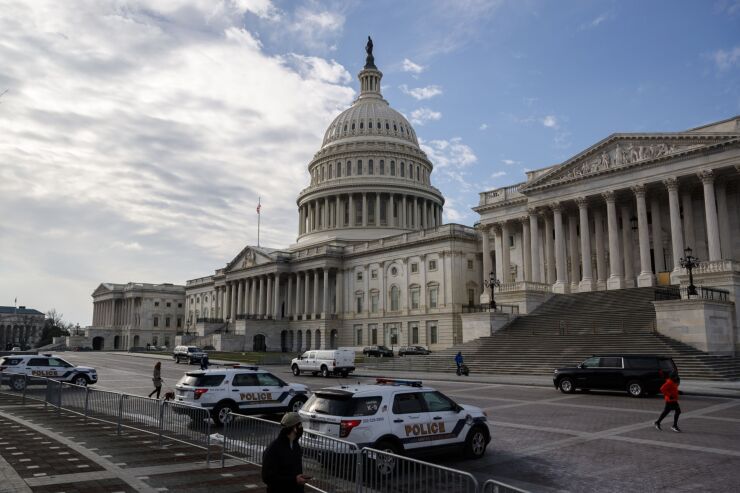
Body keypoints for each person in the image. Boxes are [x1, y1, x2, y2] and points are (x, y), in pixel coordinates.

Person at [262, 412, 311, 493]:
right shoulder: (273, 449)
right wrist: (294, 480)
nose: (302, 428)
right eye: (300, 425)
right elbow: (267, 477)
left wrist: (300, 478)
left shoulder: (296, 446)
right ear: (294, 428)